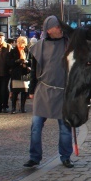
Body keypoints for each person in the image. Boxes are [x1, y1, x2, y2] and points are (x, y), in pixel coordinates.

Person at [24, 16, 74, 169]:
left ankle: (66, 157)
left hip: (62, 91)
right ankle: (34, 157)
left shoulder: (68, 45)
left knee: (65, 128)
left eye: (60, 26)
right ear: (48, 29)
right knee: (36, 126)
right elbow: (34, 71)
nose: (59, 28)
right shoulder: (39, 46)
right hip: (43, 90)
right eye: (56, 26)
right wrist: (31, 90)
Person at [8, 36, 31, 114]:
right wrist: (17, 61)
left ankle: (22, 107)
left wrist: (27, 62)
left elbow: (31, 60)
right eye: (19, 42)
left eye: (23, 42)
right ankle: (13, 108)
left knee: (24, 92)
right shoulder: (13, 51)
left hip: (24, 72)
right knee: (15, 91)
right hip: (16, 73)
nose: (21, 44)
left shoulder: (27, 50)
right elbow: (9, 62)